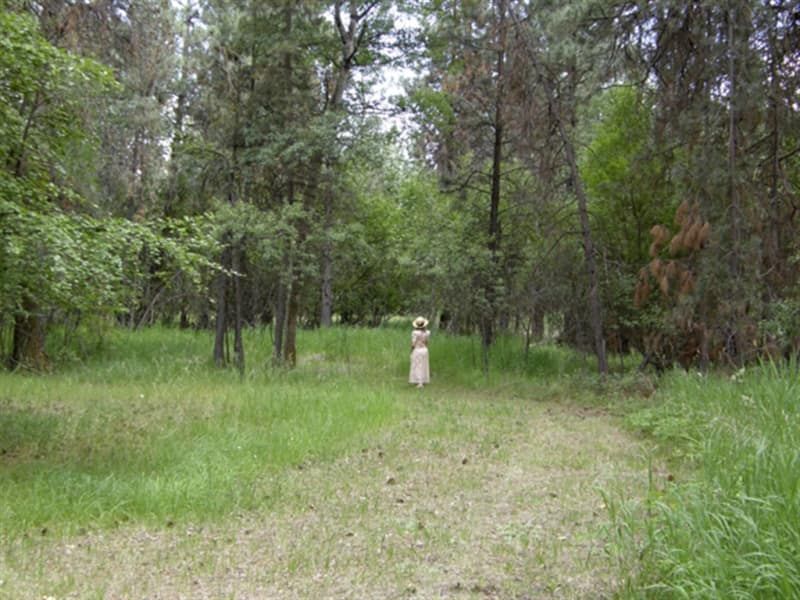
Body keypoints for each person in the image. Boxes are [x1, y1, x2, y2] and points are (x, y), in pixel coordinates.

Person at [409, 316, 430, 388]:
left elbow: (413, 343)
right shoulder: (427, 332)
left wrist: (411, 350)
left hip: (417, 350)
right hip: (424, 349)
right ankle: (423, 380)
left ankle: (419, 382)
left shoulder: (415, 333)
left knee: (417, 365)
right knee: (424, 365)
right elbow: (427, 342)